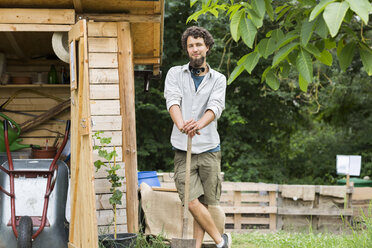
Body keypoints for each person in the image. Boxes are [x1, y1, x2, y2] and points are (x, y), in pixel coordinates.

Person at [164, 26, 231, 248]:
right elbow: (172, 100)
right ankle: (221, 241)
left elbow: (216, 106)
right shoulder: (175, 73)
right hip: (183, 148)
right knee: (191, 202)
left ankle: (197, 246)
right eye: (191, 45)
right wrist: (182, 124)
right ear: (186, 49)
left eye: (199, 45)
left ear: (207, 48)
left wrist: (198, 125)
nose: (195, 49)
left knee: (206, 203)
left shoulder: (218, 79)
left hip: (210, 148)